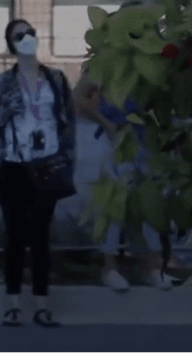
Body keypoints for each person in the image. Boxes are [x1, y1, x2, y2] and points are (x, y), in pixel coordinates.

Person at [0, 20, 76, 328]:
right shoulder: (1, 83)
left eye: (30, 33)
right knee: (14, 236)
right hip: (13, 165)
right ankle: (12, 304)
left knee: (40, 236)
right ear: (11, 44)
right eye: (19, 35)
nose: (27, 39)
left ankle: (41, 305)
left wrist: (68, 159)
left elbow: (67, 122)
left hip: (47, 163)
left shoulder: (56, 79)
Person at [73, 66, 173, 291]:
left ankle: (153, 270)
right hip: (114, 147)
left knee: (150, 207)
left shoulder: (145, 62)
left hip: (146, 146)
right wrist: (106, 123)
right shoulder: (105, 62)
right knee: (114, 208)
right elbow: (77, 97)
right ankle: (110, 269)